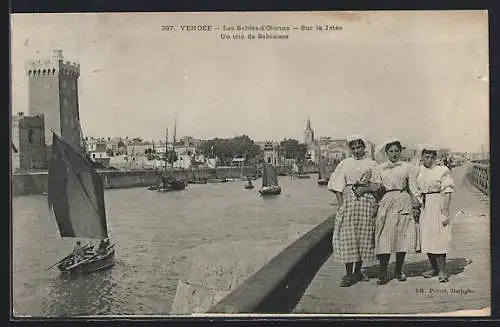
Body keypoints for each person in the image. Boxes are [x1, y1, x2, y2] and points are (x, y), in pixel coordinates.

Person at [327, 134, 378, 287]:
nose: (356, 150)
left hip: (366, 201)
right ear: (350, 149)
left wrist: (366, 189)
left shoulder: (371, 164)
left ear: (364, 147)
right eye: (353, 148)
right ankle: (348, 274)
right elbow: (337, 185)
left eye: (359, 147)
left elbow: (377, 185)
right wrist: (341, 204)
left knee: (362, 236)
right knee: (347, 237)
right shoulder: (345, 163)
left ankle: (358, 271)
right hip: (349, 201)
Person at [370, 138, 421, 285]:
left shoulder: (407, 167)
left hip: (403, 200)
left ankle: (398, 270)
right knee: (384, 237)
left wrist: (417, 203)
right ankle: (382, 272)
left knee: (402, 237)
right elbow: (376, 188)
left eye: (396, 151)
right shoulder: (380, 168)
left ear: (401, 151)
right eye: (391, 151)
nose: (394, 154)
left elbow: (412, 186)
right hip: (386, 201)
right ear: (386, 153)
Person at [409, 146, 455, 283]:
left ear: (435, 157)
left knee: (439, 236)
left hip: (437, 203)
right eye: (426, 156)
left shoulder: (441, 170)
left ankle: (442, 270)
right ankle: (433, 267)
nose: (429, 159)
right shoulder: (418, 170)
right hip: (425, 205)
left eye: (431, 157)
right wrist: (417, 201)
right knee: (426, 236)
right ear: (421, 157)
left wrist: (445, 210)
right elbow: (413, 186)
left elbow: (447, 190)